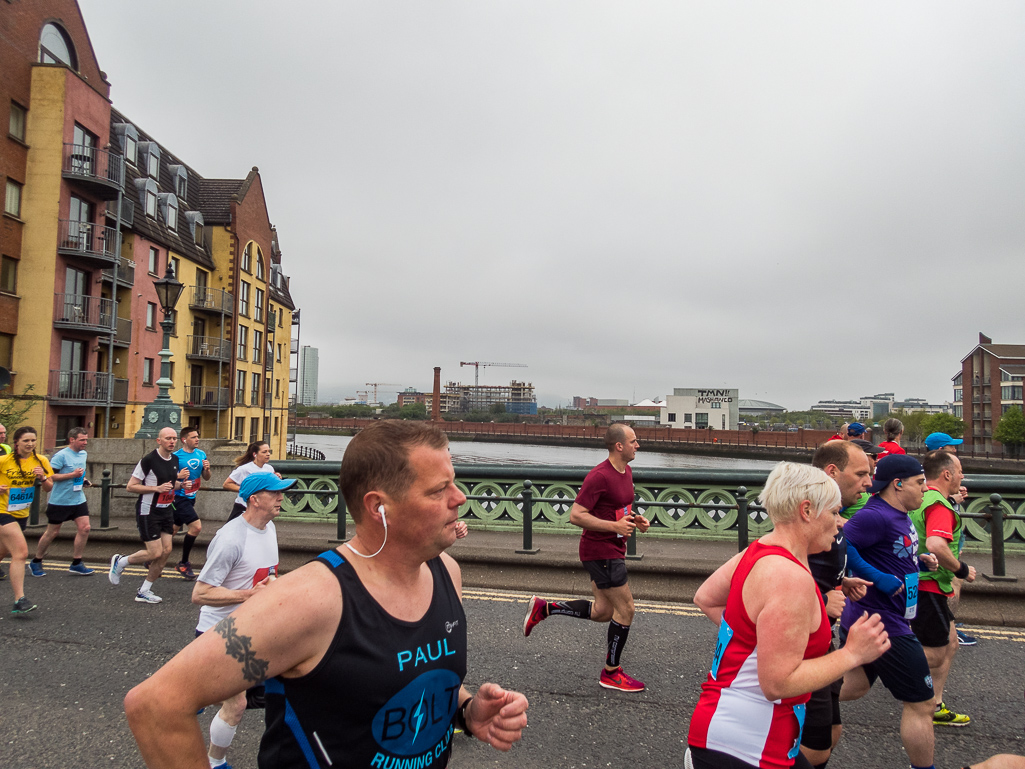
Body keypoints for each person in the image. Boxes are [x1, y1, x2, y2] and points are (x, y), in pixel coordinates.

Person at [125, 421, 529, 768]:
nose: (460, 498)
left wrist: (466, 709)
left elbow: (410, 680)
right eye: (439, 490)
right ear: (379, 507)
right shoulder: (311, 599)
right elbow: (157, 704)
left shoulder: (447, 574)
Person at [686, 462, 890, 769]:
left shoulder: (759, 550)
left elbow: (707, 598)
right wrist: (852, 654)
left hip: (725, 733)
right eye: (834, 512)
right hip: (748, 746)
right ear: (806, 511)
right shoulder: (789, 578)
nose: (841, 523)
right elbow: (777, 684)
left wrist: (760, 642)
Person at [522, 423, 651, 692]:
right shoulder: (599, 476)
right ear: (619, 446)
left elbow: (616, 508)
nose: (638, 445)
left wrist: (633, 519)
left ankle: (545, 608)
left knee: (603, 612)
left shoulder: (626, 471)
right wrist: (615, 527)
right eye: (634, 441)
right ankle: (611, 673)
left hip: (613, 548)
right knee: (626, 610)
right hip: (599, 551)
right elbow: (576, 515)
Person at [838, 455, 941, 769]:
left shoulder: (901, 513)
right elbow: (842, 543)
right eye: (920, 483)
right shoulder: (876, 516)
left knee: (852, 688)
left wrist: (918, 560)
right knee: (922, 704)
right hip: (882, 623)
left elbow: (892, 550)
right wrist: (877, 576)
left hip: (876, 617)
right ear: (898, 484)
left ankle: (785, 696)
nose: (925, 489)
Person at [192, 472, 296, 769]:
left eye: (282, 492)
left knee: (281, 689)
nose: (281, 497)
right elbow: (200, 593)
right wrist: (250, 595)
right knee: (235, 705)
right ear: (254, 499)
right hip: (219, 632)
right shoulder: (230, 539)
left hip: (253, 628)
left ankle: (199, 692)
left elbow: (268, 576)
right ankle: (215, 762)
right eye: (274, 493)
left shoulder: (269, 527)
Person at [801, 441, 874, 768]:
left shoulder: (833, 515)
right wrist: (821, 599)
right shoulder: (809, 518)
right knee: (814, 748)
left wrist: (839, 582)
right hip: (798, 647)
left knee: (831, 733)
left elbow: (810, 570)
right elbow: (771, 574)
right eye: (861, 474)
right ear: (832, 472)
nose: (868, 482)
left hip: (821, 641)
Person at [909, 450, 975, 727]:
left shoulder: (924, 497)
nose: (962, 476)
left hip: (921, 582)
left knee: (950, 644)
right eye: (959, 471)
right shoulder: (939, 506)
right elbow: (936, 545)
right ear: (947, 474)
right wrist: (960, 568)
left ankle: (934, 703)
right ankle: (877, 657)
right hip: (930, 585)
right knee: (934, 652)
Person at [109, 427, 190, 604]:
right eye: (168, 438)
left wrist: (181, 485)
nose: (172, 441)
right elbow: (131, 486)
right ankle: (121, 562)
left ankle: (144, 590)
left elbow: (169, 483)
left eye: (174, 438)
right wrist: (156, 489)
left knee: (166, 551)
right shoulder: (149, 460)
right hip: (148, 511)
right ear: (158, 440)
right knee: (155, 552)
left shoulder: (175, 459)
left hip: (167, 509)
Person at [0, 426, 54, 613]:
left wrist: (42, 478)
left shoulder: (41, 461)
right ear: (16, 443)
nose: (30, 444)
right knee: (21, 553)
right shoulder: (3, 461)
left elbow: (49, 488)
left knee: (3, 552)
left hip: (21, 513)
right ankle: (19, 600)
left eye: (33, 440)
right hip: (2, 511)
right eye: (26, 441)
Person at [31, 427, 94, 576]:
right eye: (82, 440)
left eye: (86, 439)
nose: (85, 442)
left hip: (78, 498)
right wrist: (72, 474)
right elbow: (51, 477)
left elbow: (80, 473)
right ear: (72, 440)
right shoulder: (61, 456)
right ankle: (36, 560)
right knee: (52, 532)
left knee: (85, 528)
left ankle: (77, 562)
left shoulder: (83, 454)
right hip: (60, 500)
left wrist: (83, 480)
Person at [173, 426, 212, 581]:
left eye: (198, 436)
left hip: (191, 497)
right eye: (194, 437)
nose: (197, 439)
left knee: (172, 530)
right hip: (178, 497)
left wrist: (207, 470)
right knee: (196, 527)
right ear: (184, 440)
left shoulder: (201, 454)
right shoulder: (176, 457)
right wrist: (179, 476)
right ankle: (183, 563)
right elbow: (167, 478)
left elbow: (207, 477)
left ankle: (153, 557)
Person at [222, 441, 279, 521]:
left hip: (260, 508)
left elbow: (270, 487)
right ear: (255, 454)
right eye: (264, 452)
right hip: (243, 507)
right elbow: (226, 484)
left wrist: (277, 478)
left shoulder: (269, 469)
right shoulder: (244, 469)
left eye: (269, 451)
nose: (268, 454)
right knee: (233, 531)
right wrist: (247, 490)